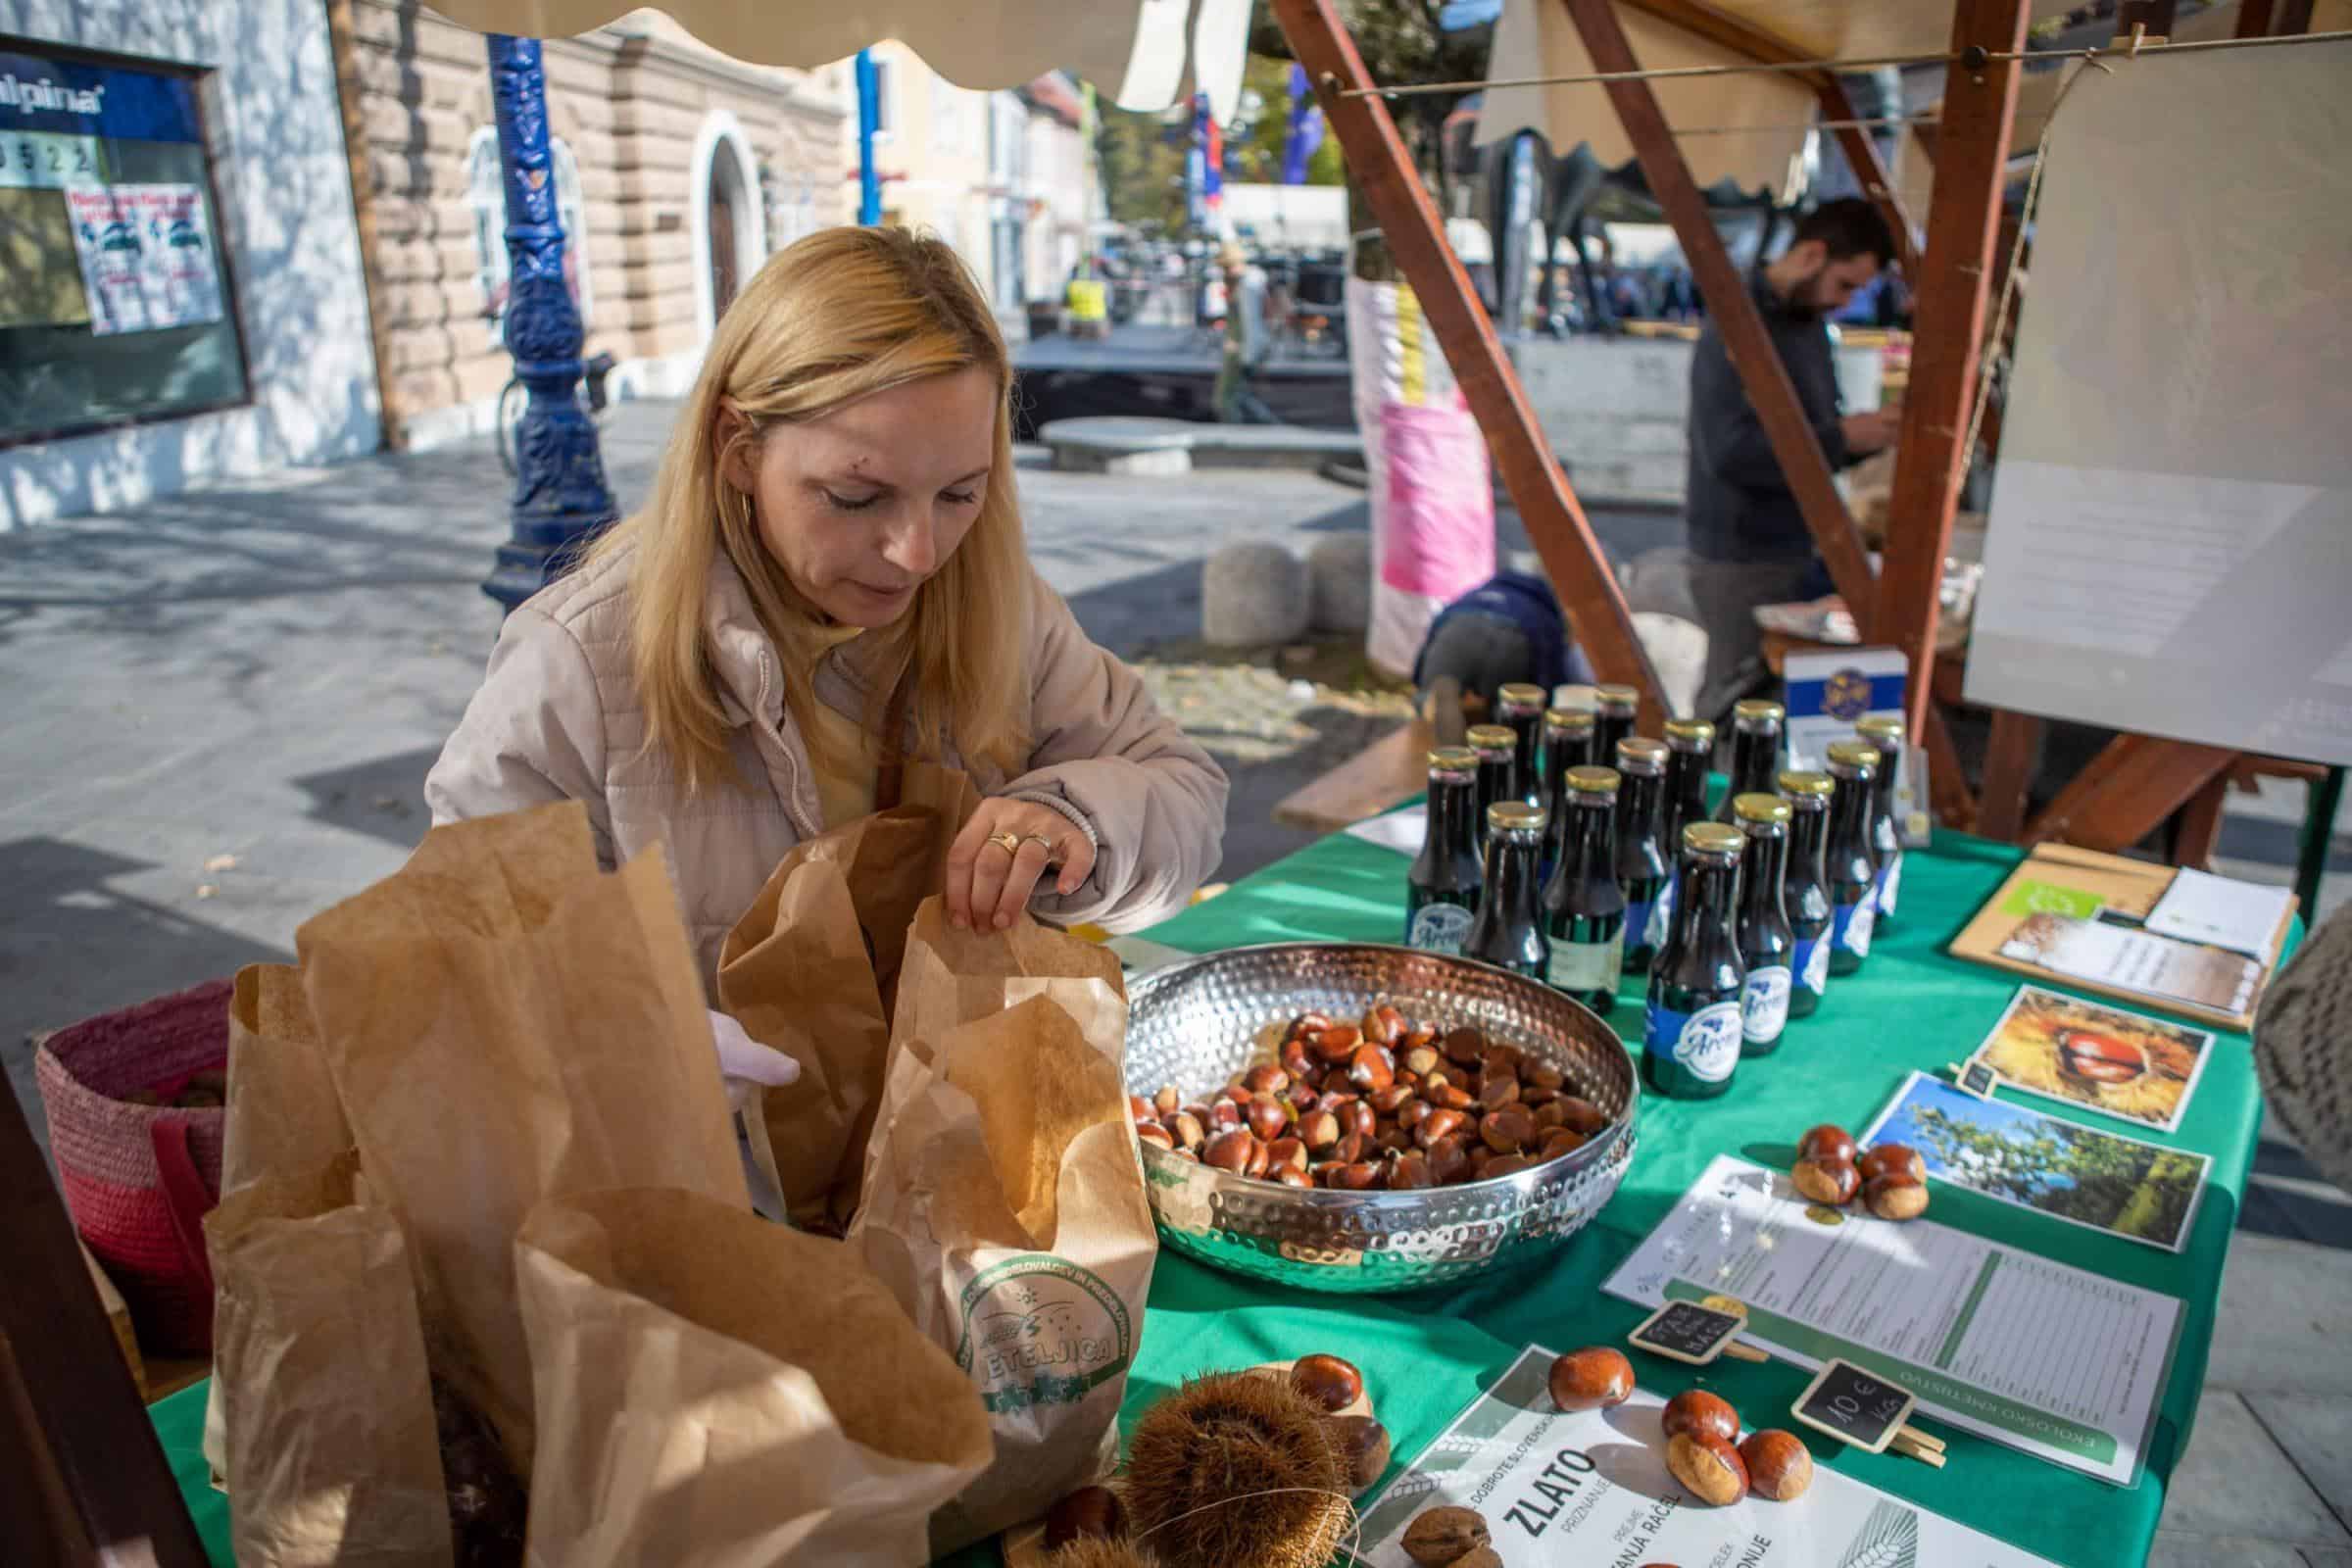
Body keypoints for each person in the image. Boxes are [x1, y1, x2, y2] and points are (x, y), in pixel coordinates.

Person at [426, 226, 1230, 1086]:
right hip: (701, 1160)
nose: (918, 554)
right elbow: (460, 953)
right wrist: (624, 1033)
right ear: (738, 449)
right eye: (856, 496)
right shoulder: (579, 662)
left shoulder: (1000, 602)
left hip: (956, 1132)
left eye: (960, 493)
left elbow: (1184, 791)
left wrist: (1082, 821)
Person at [1685, 198, 1900, 718]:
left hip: (1795, 547)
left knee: (1773, 706)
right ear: (1811, 256)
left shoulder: (1807, 324)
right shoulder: (1738, 321)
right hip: (1741, 555)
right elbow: (1729, 453)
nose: (1844, 302)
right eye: (1844, 285)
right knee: (1732, 705)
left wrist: (1865, 436)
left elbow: (1816, 433)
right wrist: (1843, 438)